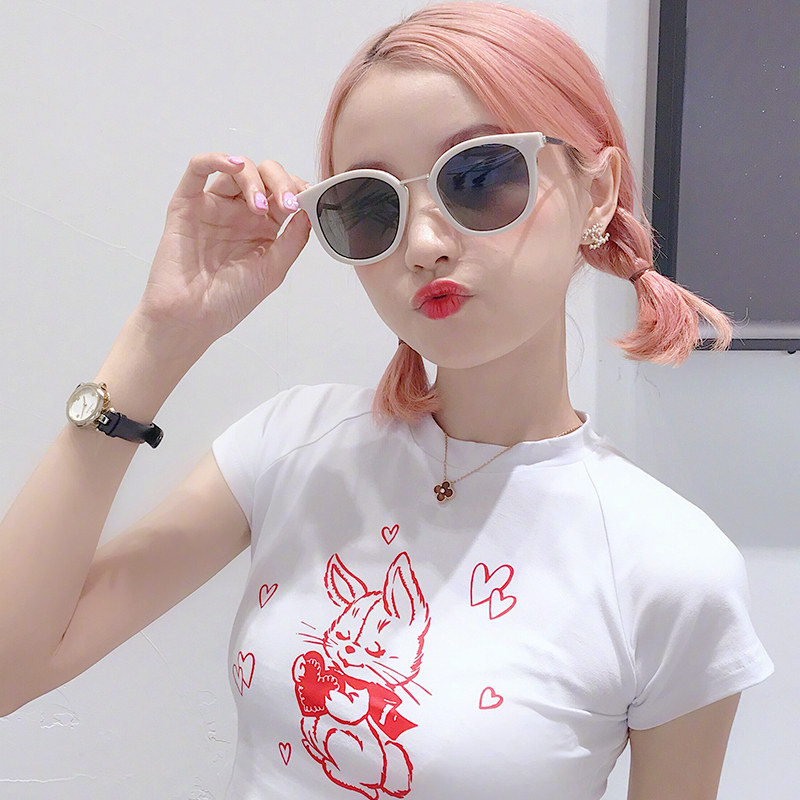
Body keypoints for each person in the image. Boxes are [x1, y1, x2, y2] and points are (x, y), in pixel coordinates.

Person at [0, 2, 774, 798]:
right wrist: (160, 337)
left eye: (479, 177)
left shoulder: (665, 566)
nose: (424, 243)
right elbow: (8, 670)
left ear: (598, 191)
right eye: (373, 207)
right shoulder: (294, 446)